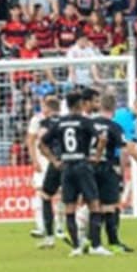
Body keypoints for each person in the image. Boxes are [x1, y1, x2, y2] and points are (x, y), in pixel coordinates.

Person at [89, 89, 137, 253]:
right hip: (108, 164)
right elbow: (130, 148)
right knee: (110, 205)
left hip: (98, 162)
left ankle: (90, 240)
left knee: (99, 203)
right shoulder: (124, 119)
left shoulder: (125, 117)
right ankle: (109, 242)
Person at [39, 90, 104, 256]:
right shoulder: (85, 121)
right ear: (80, 104)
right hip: (82, 165)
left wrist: (54, 161)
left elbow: (41, 143)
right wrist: (97, 156)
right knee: (94, 204)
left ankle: (76, 248)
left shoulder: (60, 123)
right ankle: (96, 246)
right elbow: (102, 138)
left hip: (66, 167)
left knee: (70, 207)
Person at [27, 94, 61, 245]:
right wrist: (34, 160)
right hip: (43, 160)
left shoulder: (59, 119)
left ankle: (59, 226)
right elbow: (30, 140)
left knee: (59, 193)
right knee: (40, 191)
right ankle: (41, 226)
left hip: (55, 159)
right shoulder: (37, 120)